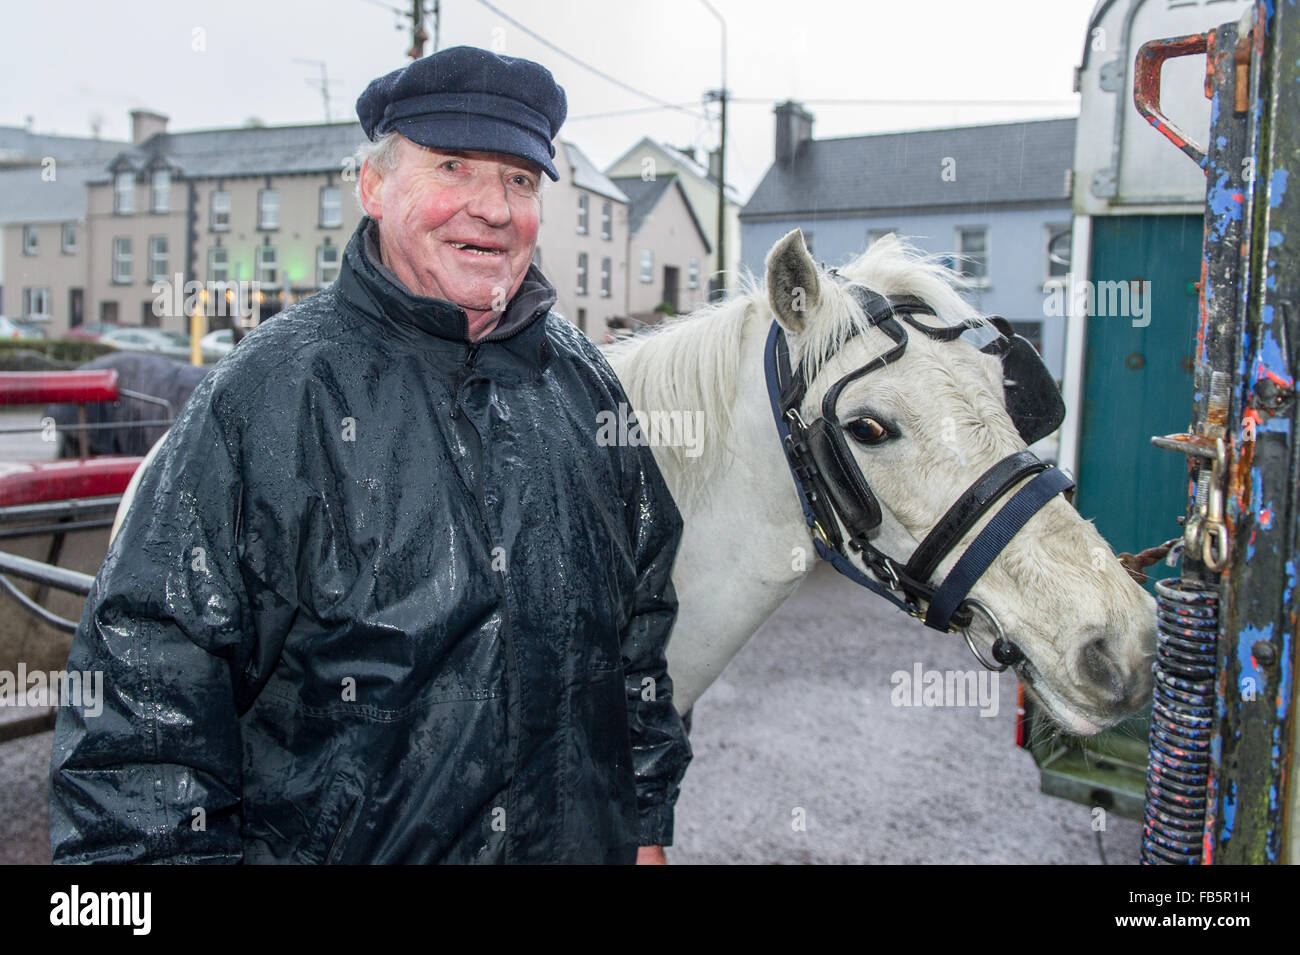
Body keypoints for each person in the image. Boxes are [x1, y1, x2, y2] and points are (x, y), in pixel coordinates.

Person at [49, 46, 692, 865]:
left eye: (521, 180)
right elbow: (144, 706)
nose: (493, 208)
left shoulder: (585, 388)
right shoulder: (270, 395)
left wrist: (643, 824)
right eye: (453, 165)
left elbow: (638, 633)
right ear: (374, 186)